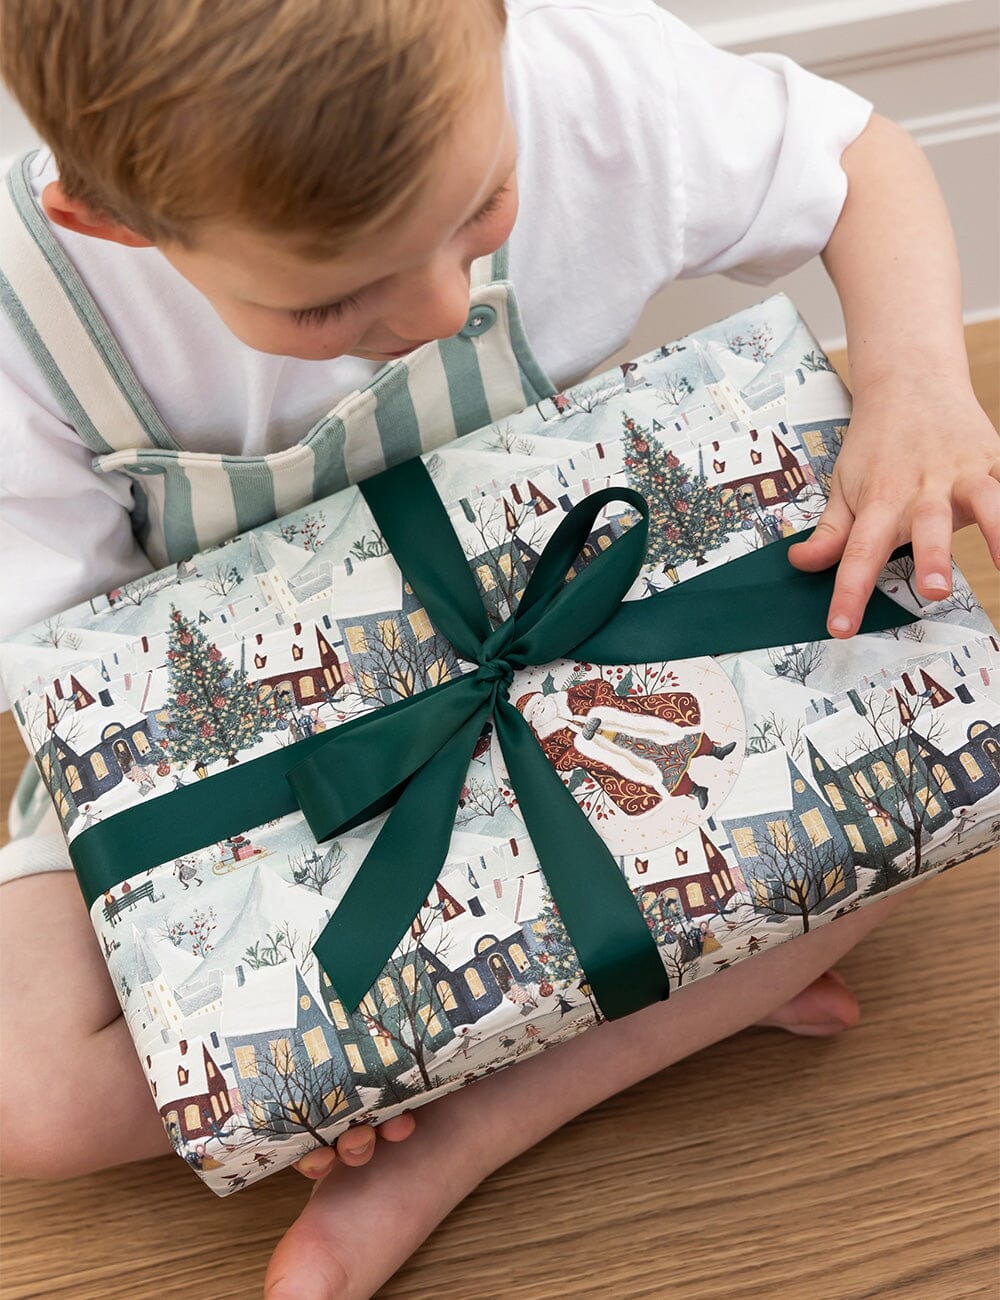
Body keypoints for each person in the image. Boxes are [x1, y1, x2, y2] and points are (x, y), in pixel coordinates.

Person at [0, 1, 997, 1297]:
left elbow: (857, 161)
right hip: (264, 746)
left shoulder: (576, 80)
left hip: (611, 629)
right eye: (331, 298)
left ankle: (467, 1120)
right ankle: (651, 995)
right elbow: (74, 673)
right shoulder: (32, 311)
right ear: (119, 224)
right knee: (26, 1084)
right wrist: (271, 1010)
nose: (438, 303)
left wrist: (919, 374)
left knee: (918, 776)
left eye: (482, 210)